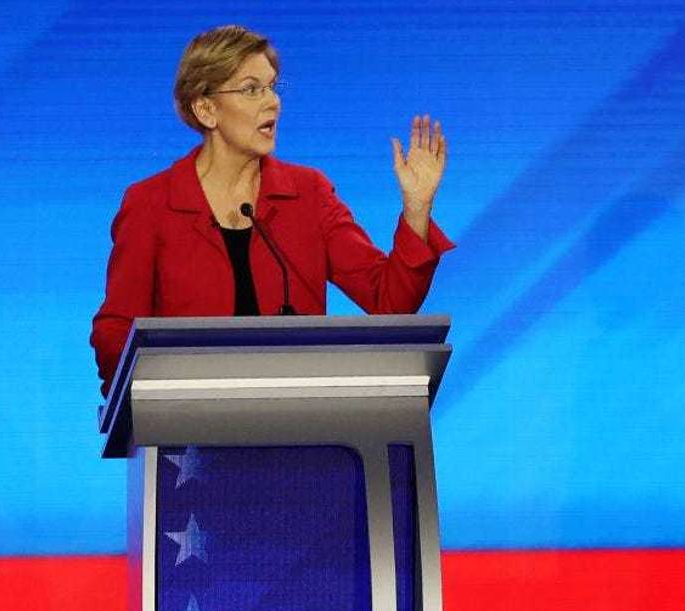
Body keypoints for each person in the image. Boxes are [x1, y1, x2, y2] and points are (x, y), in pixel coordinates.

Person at [90, 25, 454, 395]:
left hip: (301, 425)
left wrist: (417, 207)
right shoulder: (151, 203)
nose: (273, 102)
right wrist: (157, 395)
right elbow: (115, 332)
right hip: (187, 437)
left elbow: (389, 302)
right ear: (206, 109)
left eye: (272, 87)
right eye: (251, 89)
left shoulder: (308, 194)